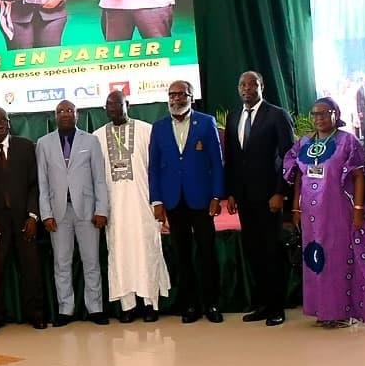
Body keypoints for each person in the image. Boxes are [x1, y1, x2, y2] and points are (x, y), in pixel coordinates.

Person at [284, 99, 365, 326]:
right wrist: (295, 207)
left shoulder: (347, 141)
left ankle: (340, 312)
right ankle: (321, 310)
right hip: (310, 214)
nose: (318, 118)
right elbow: (297, 175)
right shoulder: (304, 142)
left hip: (338, 210)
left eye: (324, 114)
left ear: (335, 114)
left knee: (337, 259)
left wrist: (358, 209)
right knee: (315, 259)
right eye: (315, 114)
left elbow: (358, 176)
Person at [222, 72, 295, 326]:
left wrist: (280, 192)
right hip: (244, 197)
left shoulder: (277, 115)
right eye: (242, 84)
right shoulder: (234, 117)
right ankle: (263, 304)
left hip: (270, 197)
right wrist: (230, 192)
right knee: (253, 251)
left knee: (271, 250)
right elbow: (231, 158)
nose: (246, 89)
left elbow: (288, 158)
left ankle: (277, 307)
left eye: (252, 84)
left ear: (261, 86)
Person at [148, 81, 225, 323]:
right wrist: (157, 200)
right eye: (172, 95)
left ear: (191, 97)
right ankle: (190, 305)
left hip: (201, 199)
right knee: (182, 256)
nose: (176, 99)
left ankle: (211, 304)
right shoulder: (159, 127)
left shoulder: (205, 122)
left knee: (206, 253)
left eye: (181, 94)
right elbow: (153, 169)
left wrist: (216, 196)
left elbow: (217, 162)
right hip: (173, 200)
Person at [93, 90, 169, 322]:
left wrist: (159, 202)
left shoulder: (147, 131)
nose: (113, 108)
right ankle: (127, 306)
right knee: (119, 253)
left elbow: (158, 170)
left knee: (146, 251)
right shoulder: (96, 137)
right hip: (115, 208)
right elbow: (96, 178)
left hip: (143, 205)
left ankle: (150, 304)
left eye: (117, 104)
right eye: (109, 105)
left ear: (128, 105)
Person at [36, 100, 109, 326]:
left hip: (87, 211)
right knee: (61, 262)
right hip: (58, 213)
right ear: (54, 116)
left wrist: (101, 209)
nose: (65, 114)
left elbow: (99, 178)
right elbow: (42, 182)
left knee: (91, 262)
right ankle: (65, 309)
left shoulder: (91, 141)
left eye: (70, 111)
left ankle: (95, 308)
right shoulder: (43, 143)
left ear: (77, 115)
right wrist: (46, 214)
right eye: (61, 111)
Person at [0, 108, 45, 329]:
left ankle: (36, 314)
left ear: (9, 122)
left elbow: (36, 185)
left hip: (25, 220)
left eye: (3, 120)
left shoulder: (26, 146)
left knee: (31, 269)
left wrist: (33, 216)